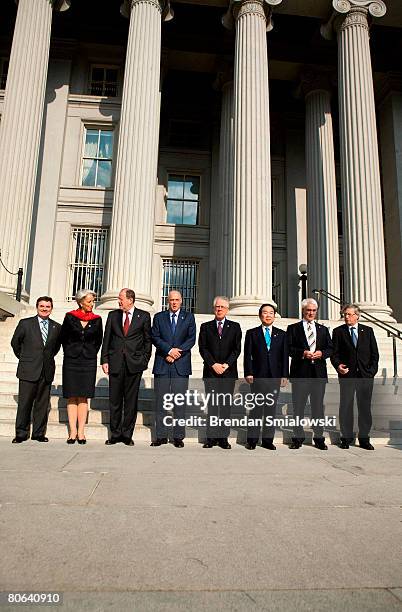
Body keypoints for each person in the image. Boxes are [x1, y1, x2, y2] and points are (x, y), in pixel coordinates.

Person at [101, 288, 151, 445]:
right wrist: (104, 360)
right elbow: (107, 338)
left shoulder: (143, 316)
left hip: (134, 364)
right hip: (115, 363)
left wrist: (143, 360)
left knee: (130, 401)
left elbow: (147, 341)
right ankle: (115, 434)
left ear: (130, 300)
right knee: (114, 400)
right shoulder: (113, 315)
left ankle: (127, 435)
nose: (119, 301)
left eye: (121, 298)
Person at [11, 296, 62, 443]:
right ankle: (21, 433)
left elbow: (55, 348)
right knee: (24, 404)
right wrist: (25, 358)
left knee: (42, 404)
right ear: (37, 307)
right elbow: (15, 343)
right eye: (42, 306)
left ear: (51, 308)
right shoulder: (25, 324)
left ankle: (39, 433)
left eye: (47, 306)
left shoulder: (56, 327)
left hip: (46, 370)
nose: (45, 309)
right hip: (28, 369)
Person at [151, 290, 196, 447]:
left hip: (180, 366)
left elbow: (191, 339)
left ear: (181, 301)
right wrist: (168, 351)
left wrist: (176, 353)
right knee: (161, 402)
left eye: (177, 300)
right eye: (171, 300)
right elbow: (155, 337)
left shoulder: (189, 317)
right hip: (162, 364)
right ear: (167, 301)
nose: (174, 302)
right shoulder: (159, 317)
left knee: (179, 403)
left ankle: (178, 437)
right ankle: (161, 436)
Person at [286, 297, 333, 450]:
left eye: (313, 310)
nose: (311, 313)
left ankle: (319, 438)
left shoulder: (323, 329)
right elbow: (289, 348)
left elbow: (330, 349)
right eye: (308, 310)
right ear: (303, 311)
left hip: (318, 374)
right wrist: (303, 353)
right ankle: (297, 437)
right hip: (300, 374)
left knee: (318, 407)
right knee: (298, 407)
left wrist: (321, 353)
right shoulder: (293, 328)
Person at [331, 304, 379, 450]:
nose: (346, 317)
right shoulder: (338, 331)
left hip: (365, 376)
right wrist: (338, 366)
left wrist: (371, 372)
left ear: (357, 316)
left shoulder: (368, 331)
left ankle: (364, 439)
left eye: (349, 314)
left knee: (364, 407)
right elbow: (335, 354)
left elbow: (374, 354)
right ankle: (346, 438)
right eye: (345, 314)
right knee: (346, 407)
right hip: (347, 376)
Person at [198, 296, 242, 449]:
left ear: (227, 309)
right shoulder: (205, 326)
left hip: (228, 373)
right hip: (211, 373)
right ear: (213, 308)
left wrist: (226, 365)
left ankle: (223, 438)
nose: (219, 309)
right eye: (217, 306)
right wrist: (213, 364)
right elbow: (203, 348)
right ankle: (211, 438)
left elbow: (237, 349)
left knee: (225, 407)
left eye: (222, 307)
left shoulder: (235, 327)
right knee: (212, 406)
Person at [243, 303, 288, 450]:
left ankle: (268, 441)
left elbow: (284, 357)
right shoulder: (252, 333)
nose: (268, 315)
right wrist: (248, 372)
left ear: (274, 316)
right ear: (260, 315)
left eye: (271, 313)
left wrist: (284, 375)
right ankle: (252, 440)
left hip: (274, 377)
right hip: (257, 376)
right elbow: (247, 355)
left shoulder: (281, 334)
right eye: (265, 312)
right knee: (256, 409)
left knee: (271, 409)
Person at [60, 289, 103, 444]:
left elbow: (99, 340)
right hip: (72, 360)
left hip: (88, 361)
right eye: (89, 301)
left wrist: (90, 352)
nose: (92, 304)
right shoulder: (70, 317)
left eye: (93, 301)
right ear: (80, 302)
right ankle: (72, 432)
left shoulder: (97, 319)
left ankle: (81, 432)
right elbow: (63, 338)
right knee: (72, 396)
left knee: (84, 396)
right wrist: (72, 351)